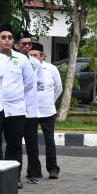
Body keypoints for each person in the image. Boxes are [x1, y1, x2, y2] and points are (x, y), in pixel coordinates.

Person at [0, 24, 36, 187]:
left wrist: (16, 95)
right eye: (3, 37)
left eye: (9, 38)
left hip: (16, 109)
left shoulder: (21, 59)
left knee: (14, 144)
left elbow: (29, 83)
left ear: (13, 41)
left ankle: (14, 177)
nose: (6, 40)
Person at [27, 42, 62, 180]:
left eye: (35, 55)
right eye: (30, 55)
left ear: (42, 56)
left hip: (47, 111)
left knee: (49, 140)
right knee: (31, 142)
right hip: (31, 111)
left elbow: (58, 88)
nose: (33, 58)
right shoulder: (27, 67)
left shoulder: (51, 69)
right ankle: (35, 170)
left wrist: (49, 101)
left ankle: (53, 169)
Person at [17, 31, 45, 183]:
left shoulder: (36, 63)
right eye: (24, 44)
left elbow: (40, 84)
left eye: (29, 44)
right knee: (14, 144)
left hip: (30, 109)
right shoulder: (13, 60)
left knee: (32, 144)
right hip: (15, 108)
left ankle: (33, 173)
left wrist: (30, 93)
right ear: (17, 45)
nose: (27, 46)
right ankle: (15, 174)